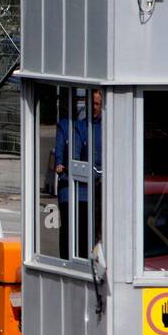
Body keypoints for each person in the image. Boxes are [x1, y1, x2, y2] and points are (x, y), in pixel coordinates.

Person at [54, 88, 103, 260]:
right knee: (72, 232)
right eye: (92, 104)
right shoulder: (78, 127)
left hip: (95, 190)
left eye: (97, 104)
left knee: (91, 234)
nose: (94, 107)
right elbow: (72, 158)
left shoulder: (105, 128)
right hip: (77, 189)